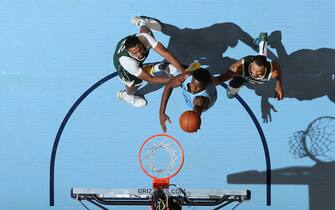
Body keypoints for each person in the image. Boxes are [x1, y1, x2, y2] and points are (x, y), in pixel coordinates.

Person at [114, 16, 185, 107]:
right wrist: (172, 80)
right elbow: (150, 79)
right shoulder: (128, 62)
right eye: (135, 53)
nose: (139, 54)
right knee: (135, 83)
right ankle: (127, 96)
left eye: (139, 49)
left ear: (140, 42)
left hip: (134, 45)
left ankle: (141, 22)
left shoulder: (144, 38)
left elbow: (166, 53)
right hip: (123, 66)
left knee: (147, 33)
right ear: (129, 52)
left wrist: (183, 71)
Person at [211, 33, 284, 100]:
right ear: (251, 64)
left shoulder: (273, 72)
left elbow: (278, 67)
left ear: (265, 69)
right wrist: (206, 83)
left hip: (259, 63)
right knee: (234, 87)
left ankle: (261, 40)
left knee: (262, 55)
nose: (254, 74)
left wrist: (278, 86)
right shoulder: (238, 69)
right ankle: (262, 40)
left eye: (259, 73)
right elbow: (220, 79)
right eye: (253, 69)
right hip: (242, 75)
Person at [159, 68, 217, 133]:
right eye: (193, 84)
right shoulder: (187, 76)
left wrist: (195, 121)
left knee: (217, 81)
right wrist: (161, 112)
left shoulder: (201, 99)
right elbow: (169, 85)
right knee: (173, 80)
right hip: (191, 91)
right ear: (192, 78)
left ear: (204, 86)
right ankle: (172, 70)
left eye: (198, 87)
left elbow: (197, 108)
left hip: (206, 97)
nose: (194, 89)